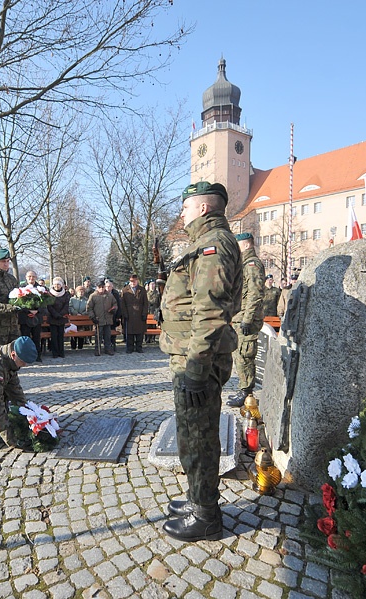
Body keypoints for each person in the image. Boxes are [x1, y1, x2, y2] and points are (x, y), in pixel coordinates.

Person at [160, 181, 241, 542]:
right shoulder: (202, 243)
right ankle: (196, 498)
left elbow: (210, 311)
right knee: (190, 433)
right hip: (189, 356)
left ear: (204, 208)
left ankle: (207, 515)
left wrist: (195, 370)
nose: (183, 212)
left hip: (198, 361)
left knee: (200, 436)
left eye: (187, 206)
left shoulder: (214, 245)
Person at [226, 232, 266, 408]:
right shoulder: (242, 264)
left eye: (239, 244)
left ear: (247, 245)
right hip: (239, 317)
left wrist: (248, 319)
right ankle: (244, 389)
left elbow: (255, 294)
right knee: (240, 355)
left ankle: (247, 393)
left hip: (246, 319)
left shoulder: (252, 264)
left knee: (245, 355)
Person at [17, 271, 45, 363]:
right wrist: (28, 311)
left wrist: (37, 311)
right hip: (25, 317)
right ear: (26, 277)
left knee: (36, 338)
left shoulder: (41, 288)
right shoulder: (21, 288)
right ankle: (25, 357)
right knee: (25, 338)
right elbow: (19, 303)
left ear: (36, 277)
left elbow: (45, 302)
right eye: (29, 276)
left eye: (33, 276)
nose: (31, 278)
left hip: (37, 317)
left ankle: (37, 356)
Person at [86, 279, 116, 355]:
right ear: (97, 287)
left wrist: (114, 309)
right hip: (98, 319)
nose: (101, 288)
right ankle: (97, 349)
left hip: (108, 319)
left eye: (103, 287)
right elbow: (89, 308)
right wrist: (92, 317)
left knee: (107, 336)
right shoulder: (93, 296)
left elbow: (115, 304)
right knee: (98, 336)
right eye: (100, 287)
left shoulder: (109, 295)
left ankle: (108, 349)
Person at [121, 274, 149, 353]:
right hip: (129, 314)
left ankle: (139, 347)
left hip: (139, 314)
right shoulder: (125, 290)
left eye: (135, 281)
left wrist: (144, 313)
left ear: (137, 281)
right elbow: (122, 304)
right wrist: (125, 314)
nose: (133, 283)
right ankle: (130, 348)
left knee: (139, 332)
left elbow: (145, 303)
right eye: (131, 281)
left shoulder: (142, 290)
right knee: (130, 332)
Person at [46, 277, 70, 358]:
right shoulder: (49, 293)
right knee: (54, 336)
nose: (57, 286)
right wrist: (55, 314)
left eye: (58, 284)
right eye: (55, 284)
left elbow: (67, 305)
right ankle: (55, 353)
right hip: (52, 317)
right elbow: (49, 306)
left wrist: (61, 314)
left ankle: (61, 352)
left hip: (62, 317)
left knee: (60, 335)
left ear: (61, 285)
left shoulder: (66, 294)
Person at [67, 285, 88, 351]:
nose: (81, 293)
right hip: (74, 318)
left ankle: (80, 346)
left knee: (81, 332)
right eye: (79, 291)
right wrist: (76, 313)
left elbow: (88, 308)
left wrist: (82, 314)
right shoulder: (72, 299)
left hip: (83, 319)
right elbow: (70, 307)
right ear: (76, 292)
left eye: (82, 291)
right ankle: (73, 346)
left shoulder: (86, 300)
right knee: (73, 332)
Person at [105, 278, 122, 351]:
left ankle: (113, 343)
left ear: (112, 287)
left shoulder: (115, 294)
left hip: (113, 316)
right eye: (107, 286)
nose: (108, 288)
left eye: (109, 286)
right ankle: (107, 345)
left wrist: (118, 316)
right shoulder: (103, 293)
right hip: (105, 316)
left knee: (113, 330)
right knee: (106, 331)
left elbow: (119, 304)